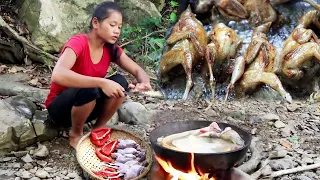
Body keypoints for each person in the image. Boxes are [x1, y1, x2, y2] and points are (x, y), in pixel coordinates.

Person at [44, 1, 152, 149]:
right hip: (60, 110)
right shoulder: (78, 43)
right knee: (90, 89)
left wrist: (144, 82)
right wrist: (102, 82)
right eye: (112, 25)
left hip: (87, 107)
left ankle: (98, 129)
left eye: (119, 27)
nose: (117, 31)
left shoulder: (111, 49)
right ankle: (75, 134)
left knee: (120, 82)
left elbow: (137, 70)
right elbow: (58, 75)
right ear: (96, 23)